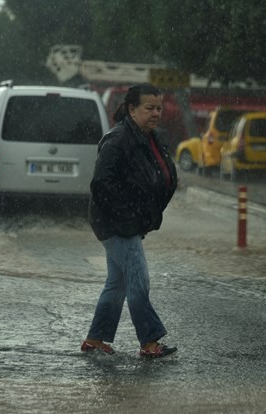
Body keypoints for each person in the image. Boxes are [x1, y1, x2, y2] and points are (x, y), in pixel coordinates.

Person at [81, 84, 178, 358]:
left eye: (159, 108)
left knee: (118, 283)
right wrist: (126, 216)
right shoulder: (118, 140)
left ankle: (96, 339)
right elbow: (101, 184)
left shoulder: (149, 138)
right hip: (116, 225)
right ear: (132, 109)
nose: (156, 113)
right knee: (138, 280)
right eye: (149, 108)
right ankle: (149, 342)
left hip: (129, 222)